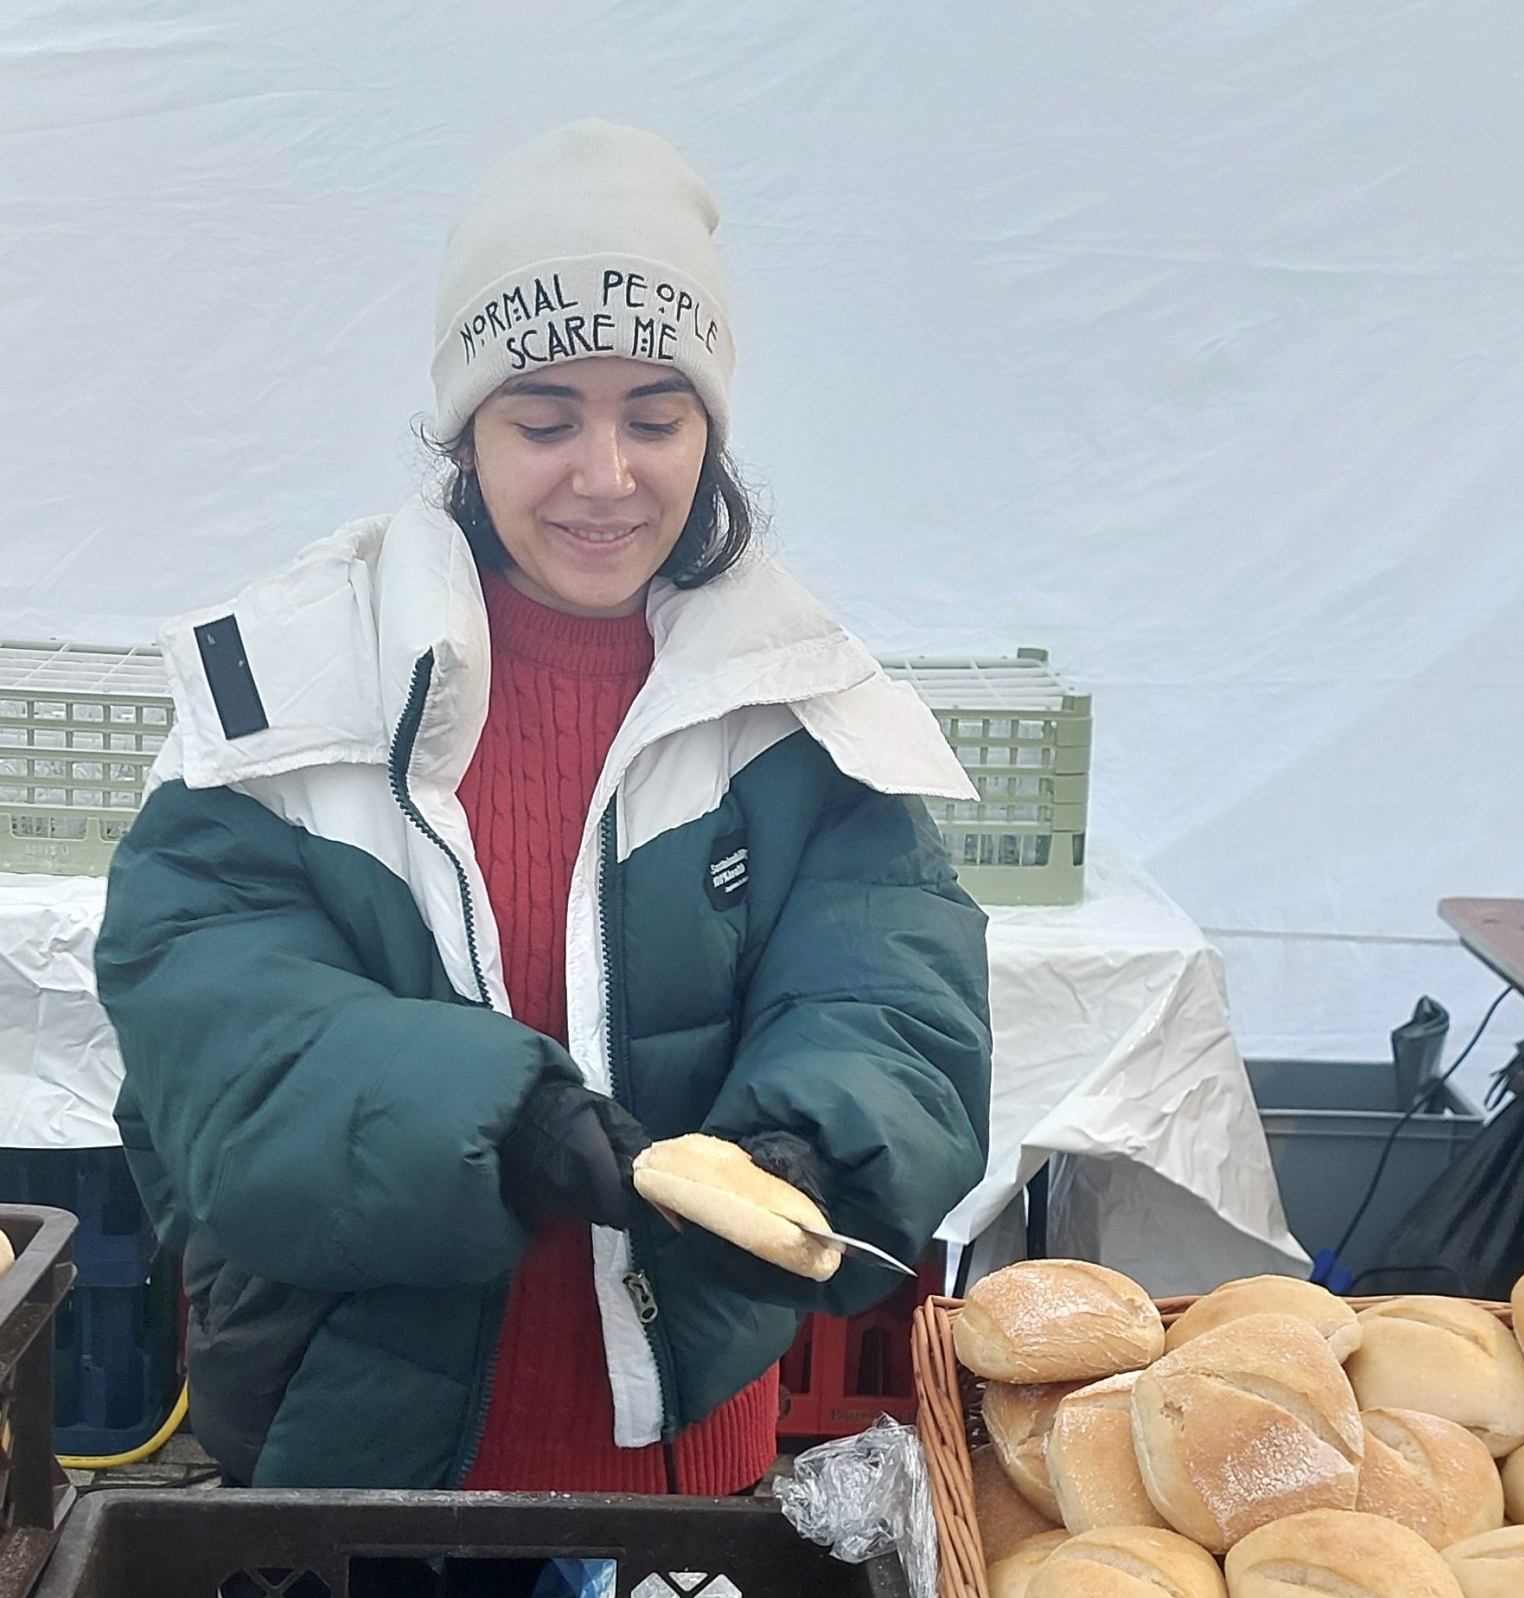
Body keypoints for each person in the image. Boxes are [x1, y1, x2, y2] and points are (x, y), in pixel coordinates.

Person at [94, 119, 993, 1495]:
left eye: (654, 415)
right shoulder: (293, 696)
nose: (605, 476)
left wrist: (804, 1142)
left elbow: (895, 996)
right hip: (355, 1440)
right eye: (544, 418)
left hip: (680, 1442)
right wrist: (495, 1121)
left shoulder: (795, 708)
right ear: (463, 431)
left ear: (711, 432)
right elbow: (211, 1030)